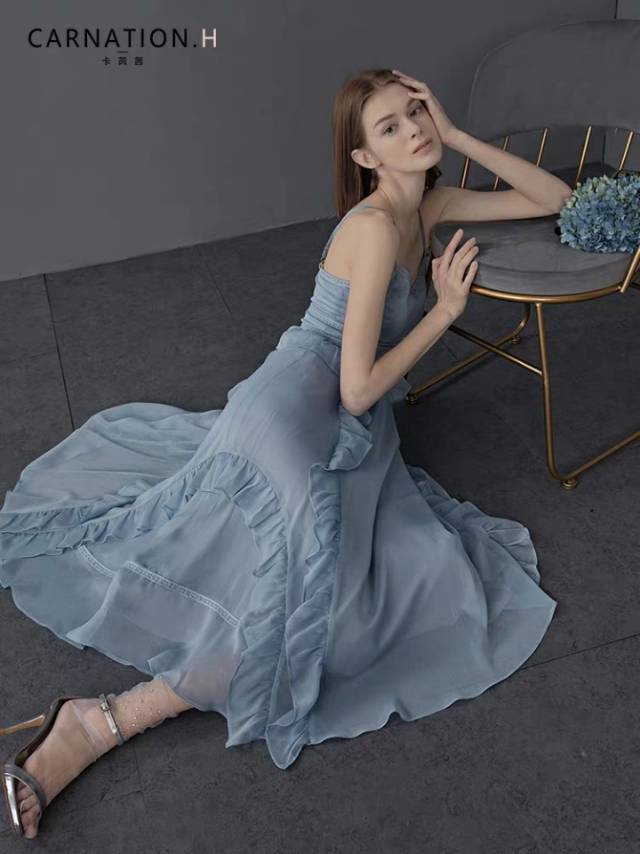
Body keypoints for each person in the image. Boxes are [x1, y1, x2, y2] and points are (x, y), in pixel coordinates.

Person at [0, 67, 566, 839]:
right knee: (307, 616)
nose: (414, 132)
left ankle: (99, 720)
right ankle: (100, 723)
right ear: (364, 157)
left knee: (354, 607)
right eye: (392, 128)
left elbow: (553, 198)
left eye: (417, 114)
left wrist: (460, 133)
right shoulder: (374, 229)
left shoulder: (429, 205)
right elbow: (356, 389)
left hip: (352, 435)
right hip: (294, 417)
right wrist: (443, 311)